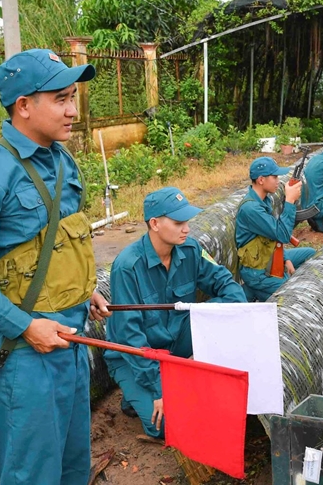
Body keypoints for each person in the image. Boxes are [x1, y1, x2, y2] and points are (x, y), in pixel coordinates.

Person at [0, 49, 112, 485]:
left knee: (72, 465)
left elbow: (55, 243)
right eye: (61, 99)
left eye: (73, 97)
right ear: (24, 106)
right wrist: (25, 326)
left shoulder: (62, 160)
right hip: (26, 356)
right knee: (32, 473)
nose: (73, 111)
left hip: (71, 342)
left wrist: (81, 289)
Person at [105, 187, 247, 439]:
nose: (187, 229)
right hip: (135, 354)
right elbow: (130, 337)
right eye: (179, 222)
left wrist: (219, 318)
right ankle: (137, 393)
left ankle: (176, 378)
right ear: (155, 223)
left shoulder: (190, 250)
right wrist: (160, 390)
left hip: (176, 341)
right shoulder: (127, 267)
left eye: (187, 222)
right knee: (169, 425)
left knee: (225, 312)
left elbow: (227, 285)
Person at [235, 157, 316, 301]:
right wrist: (290, 201)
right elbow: (282, 235)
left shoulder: (264, 200)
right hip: (258, 273)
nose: (278, 180)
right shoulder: (251, 208)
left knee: (311, 253)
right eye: (274, 176)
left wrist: (285, 259)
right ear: (261, 180)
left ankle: (256, 291)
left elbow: (272, 237)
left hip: (269, 257)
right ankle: (255, 289)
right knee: (293, 295)